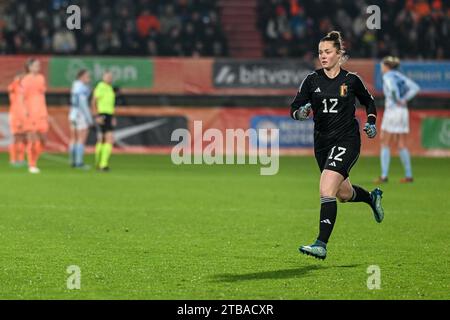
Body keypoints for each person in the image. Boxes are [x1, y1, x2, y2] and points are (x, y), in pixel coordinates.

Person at [290, 31, 384, 260]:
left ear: (339, 54)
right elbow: (295, 107)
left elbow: (369, 102)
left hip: (347, 140)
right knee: (343, 193)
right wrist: (300, 113)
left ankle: (321, 244)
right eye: (320, 52)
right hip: (322, 143)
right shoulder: (311, 80)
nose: (323, 56)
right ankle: (371, 197)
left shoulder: (351, 80)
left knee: (326, 188)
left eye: (328, 52)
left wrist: (371, 121)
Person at [376, 56, 420, 183]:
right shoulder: (400, 76)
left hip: (393, 111)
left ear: (387, 67)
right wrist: (404, 99)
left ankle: (384, 176)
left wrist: (396, 99)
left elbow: (393, 89)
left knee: (385, 142)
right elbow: (415, 88)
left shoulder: (388, 76)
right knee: (401, 144)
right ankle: (408, 175)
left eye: (382, 66)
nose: (381, 69)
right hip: (403, 111)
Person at [21, 58, 48, 174]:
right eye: (36, 65)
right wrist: (25, 111)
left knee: (43, 139)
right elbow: (22, 98)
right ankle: (31, 164)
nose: (38, 67)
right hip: (30, 113)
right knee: (32, 139)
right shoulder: (25, 80)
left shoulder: (41, 78)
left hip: (41, 112)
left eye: (39, 65)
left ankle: (34, 160)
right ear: (29, 67)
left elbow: (42, 96)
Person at [91, 71, 115, 171]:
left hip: (108, 115)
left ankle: (100, 163)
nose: (109, 78)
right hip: (102, 114)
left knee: (105, 139)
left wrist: (113, 117)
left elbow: (110, 104)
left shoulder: (110, 88)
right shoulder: (101, 87)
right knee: (106, 139)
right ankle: (102, 164)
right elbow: (93, 101)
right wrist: (96, 115)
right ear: (103, 77)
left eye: (110, 76)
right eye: (107, 76)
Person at [69, 69, 93, 168]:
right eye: (87, 76)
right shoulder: (81, 87)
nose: (89, 79)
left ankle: (72, 161)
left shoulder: (75, 85)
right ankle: (79, 162)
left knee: (74, 138)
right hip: (80, 114)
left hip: (73, 113)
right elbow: (83, 104)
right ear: (81, 77)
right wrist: (89, 118)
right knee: (81, 139)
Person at [8, 72, 27, 167]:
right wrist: (16, 80)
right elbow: (10, 88)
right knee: (16, 138)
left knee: (23, 138)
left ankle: (21, 159)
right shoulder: (14, 87)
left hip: (23, 116)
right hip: (15, 116)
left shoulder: (23, 90)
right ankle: (12, 159)